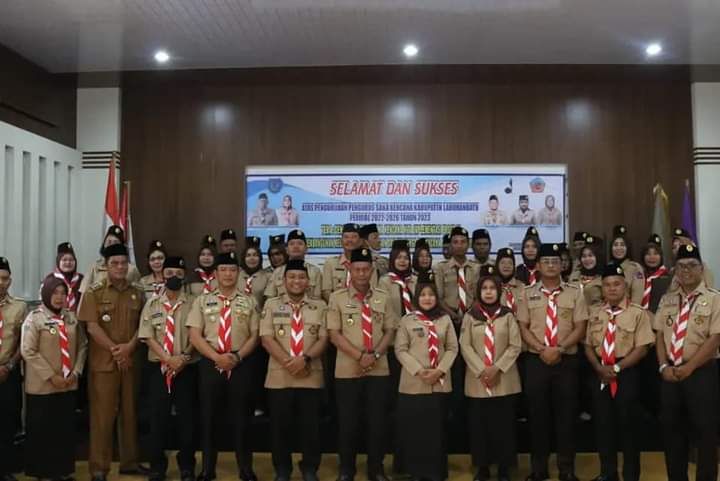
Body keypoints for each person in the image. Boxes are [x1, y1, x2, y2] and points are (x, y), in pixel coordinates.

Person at [517, 243, 589, 481]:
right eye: (546, 262)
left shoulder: (575, 292)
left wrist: (560, 348)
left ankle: (566, 469)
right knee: (538, 417)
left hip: (566, 360)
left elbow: (580, 327)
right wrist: (541, 349)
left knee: (566, 416)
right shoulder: (526, 293)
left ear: (562, 265)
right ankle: (538, 469)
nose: (550, 265)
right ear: (538, 266)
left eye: (555, 262)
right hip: (536, 360)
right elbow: (523, 327)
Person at [77, 243, 148, 481]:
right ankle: (99, 468)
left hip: (130, 363)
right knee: (102, 417)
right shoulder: (94, 292)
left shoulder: (137, 292)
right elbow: (91, 327)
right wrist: (116, 351)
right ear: (105, 266)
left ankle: (129, 462)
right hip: (104, 365)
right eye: (114, 263)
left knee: (130, 414)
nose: (119, 267)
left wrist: (129, 348)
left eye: (123, 263)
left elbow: (144, 325)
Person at [187, 251, 260, 481]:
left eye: (232, 270)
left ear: (238, 273)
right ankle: (208, 469)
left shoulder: (249, 301)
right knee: (209, 418)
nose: (228, 274)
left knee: (243, 418)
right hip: (211, 364)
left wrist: (237, 357)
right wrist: (216, 358)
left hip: (240, 364)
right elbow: (195, 336)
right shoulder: (202, 301)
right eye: (223, 270)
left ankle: (245, 468)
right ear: (216, 274)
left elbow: (255, 335)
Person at [327, 247, 398, 481]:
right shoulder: (337, 298)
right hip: (348, 370)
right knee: (348, 423)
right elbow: (334, 334)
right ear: (350, 269)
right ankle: (346, 469)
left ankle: (376, 468)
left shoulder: (383, 297)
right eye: (357, 269)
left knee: (377, 423)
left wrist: (374, 355)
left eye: (365, 269)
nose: (361, 274)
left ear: (372, 270)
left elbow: (390, 330)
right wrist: (360, 356)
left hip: (379, 369)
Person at [654, 244, 720, 481]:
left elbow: (715, 338)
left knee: (706, 433)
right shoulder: (668, 299)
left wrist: (689, 368)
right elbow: (659, 335)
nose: (686, 271)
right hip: (671, 373)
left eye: (692, 265)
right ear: (675, 270)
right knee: (672, 433)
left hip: (701, 373)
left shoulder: (714, 299)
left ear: (701, 269)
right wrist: (663, 366)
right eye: (681, 266)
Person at [260, 259, 329, 481]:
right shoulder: (271, 305)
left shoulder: (320, 306)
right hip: (279, 376)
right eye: (292, 277)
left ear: (308, 281)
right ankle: (282, 469)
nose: (296, 281)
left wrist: (305, 360)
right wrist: (289, 362)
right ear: (283, 280)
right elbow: (266, 338)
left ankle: (310, 468)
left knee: (311, 428)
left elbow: (324, 338)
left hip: (311, 375)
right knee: (280, 428)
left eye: (301, 277)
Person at [584, 263, 654, 481]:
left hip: (626, 372)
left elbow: (642, 348)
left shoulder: (638, 313)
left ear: (625, 286)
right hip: (600, 372)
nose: (612, 288)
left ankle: (631, 475)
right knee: (603, 425)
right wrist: (598, 367)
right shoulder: (595, 313)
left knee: (628, 427)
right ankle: (608, 473)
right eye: (607, 285)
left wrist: (617, 368)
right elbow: (587, 345)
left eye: (616, 284)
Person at [21, 274, 88, 481]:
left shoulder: (71, 318)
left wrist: (76, 372)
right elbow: (28, 350)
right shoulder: (35, 318)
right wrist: (51, 376)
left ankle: (63, 471)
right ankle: (44, 473)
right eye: (55, 293)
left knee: (63, 431)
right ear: (46, 294)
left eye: (63, 293)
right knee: (43, 431)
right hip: (43, 388)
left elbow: (83, 346)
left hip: (68, 385)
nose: (59, 297)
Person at [139, 256, 198, 481]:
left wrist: (183, 358)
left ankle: (187, 467)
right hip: (159, 369)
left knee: (187, 420)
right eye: (170, 273)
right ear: (162, 275)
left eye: (178, 273)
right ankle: (157, 467)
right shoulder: (152, 304)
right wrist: (168, 359)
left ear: (185, 276)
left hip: (186, 368)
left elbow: (197, 334)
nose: (174, 277)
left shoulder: (194, 302)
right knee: (157, 419)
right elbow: (147, 335)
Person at [395, 271, 458, 481]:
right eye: (423, 295)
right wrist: (419, 371)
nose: (427, 298)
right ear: (417, 298)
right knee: (415, 430)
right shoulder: (407, 320)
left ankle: (436, 473)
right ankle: (416, 472)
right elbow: (400, 349)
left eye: (431, 294)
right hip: (413, 383)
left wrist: (439, 370)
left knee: (436, 431)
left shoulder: (445, 319)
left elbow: (452, 348)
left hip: (439, 383)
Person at [461, 266, 521, 481]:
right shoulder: (470, 316)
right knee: (480, 427)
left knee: (504, 426)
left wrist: (497, 368)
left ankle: (504, 468)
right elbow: (465, 345)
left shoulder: (507, 315)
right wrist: (482, 370)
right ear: (479, 291)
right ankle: (482, 467)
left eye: (492, 288)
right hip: (478, 381)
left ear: (499, 291)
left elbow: (515, 345)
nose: (488, 292)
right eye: (484, 288)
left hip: (504, 379)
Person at [0, 257, 27, 481]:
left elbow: (24, 342)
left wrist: (9, 366)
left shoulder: (20, 307)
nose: (1, 282)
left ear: (10, 281)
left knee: (7, 422)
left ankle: (5, 469)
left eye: (5, 278)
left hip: (8, 373)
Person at [322, 223, 378, 302]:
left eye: (354, 237)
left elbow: (373, 290)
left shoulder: (370, 264)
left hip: (363, 306)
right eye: (346, 237)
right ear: (341, 240)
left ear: (360, 241)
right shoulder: (331, 263)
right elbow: (326, 292)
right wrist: (342, 306)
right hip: (337, 306)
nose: (349, 240)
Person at [79, 225, 141, 293]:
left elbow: (138, 294)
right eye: (109, 242)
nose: (111, 246)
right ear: (104, 245)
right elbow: (84, 293)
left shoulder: (132, 270)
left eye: (116, 243)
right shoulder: (95, 267)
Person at [265, 229, 323, 300]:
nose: (296, 246)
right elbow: (270, 298)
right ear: (286, 249)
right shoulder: (278, 272)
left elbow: (317, 299)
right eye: (292, 244)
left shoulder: (315, 271)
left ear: (306, 249)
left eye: (300, 243)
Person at [608, 225, 644, 305]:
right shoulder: (607, 267)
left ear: (628, 248)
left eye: (622, 245)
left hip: (629, 311)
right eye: (615, 245)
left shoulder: (635, 268)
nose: (619, 248)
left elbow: (636, 300)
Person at [568, 236, 604, 314]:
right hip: (575, 316)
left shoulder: (604, 277)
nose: (587, 259)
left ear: (597, 257)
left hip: (596, 317)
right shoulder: (574, 276)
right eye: (584, 256)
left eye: (591, 255)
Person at [640, 234, 671, 312]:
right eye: (648, 254)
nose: (652, 257)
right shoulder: (639, 277)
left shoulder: (669, 278)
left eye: (656, 254)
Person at [50, 241, 84, 312]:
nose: (68, 262)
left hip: (79, 317)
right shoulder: (50, 280)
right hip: (56, 316)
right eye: (64, 260)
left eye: (71, 260)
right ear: (58, 262)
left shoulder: (82, 279)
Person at [238, 238, 270, 309]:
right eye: (248, 255)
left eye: (255, 255)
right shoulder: (237, 275)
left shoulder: (267, 277)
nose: (252, 258)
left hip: (259, 314)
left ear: (260, 258)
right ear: (244, 258)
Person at [495, 248, 525, 314]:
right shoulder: (492, 287)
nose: (506, 266)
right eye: (503, 263)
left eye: (510, 263)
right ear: (497, 265)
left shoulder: (522, 287)